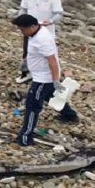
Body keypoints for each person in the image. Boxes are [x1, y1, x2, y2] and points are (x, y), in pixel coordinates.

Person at [12, 14, 78, 146]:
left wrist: (55, 80)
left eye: (22, 29)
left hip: (43, 79)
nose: (21, 32)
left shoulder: (42, 39)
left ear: (32, 26)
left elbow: (52, 61)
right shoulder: (37, 31)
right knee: (50, 95)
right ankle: (70, 115)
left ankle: (25, 137)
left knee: (32, 106)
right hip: (41, 75)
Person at [15, 0, 64, 84]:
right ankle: (27, 73)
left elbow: (59, 14)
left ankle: (53, 76)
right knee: (28, 52)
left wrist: (51, 21)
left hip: (46, 31)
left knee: (48, 55)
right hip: (29, 29)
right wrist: (20, 22)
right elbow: (23, 9)